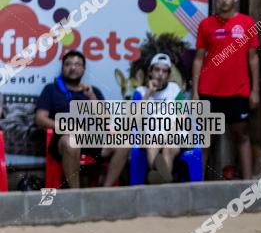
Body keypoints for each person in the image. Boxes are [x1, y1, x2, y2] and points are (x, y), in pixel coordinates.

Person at [193, 0, 260, 179]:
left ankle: (247, 185)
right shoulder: (206, 24)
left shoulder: (247, 23)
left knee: (242, 136)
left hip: (238, 92)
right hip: (209, 91)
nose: (224, 0)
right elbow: (198, 59)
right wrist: (196, 94)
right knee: (205, 141)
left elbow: (253, 58)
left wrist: (255, 90)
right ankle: (196, 187)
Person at [35, 50, 128, 188]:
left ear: (83, 69)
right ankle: (76, 194)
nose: (73, 67)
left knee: (124, 142)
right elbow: (40, 119)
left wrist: (91, 96)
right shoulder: (51, 90)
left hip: (93, 138)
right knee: (72, 141)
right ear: (63, 68)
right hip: (64, 138)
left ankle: (106, 190)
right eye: (68, 64)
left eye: (78, 64)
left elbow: (105, 119)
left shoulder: (92, 91)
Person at [133, 53, 187, 183]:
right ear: (150, 72)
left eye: (164, 71)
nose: (160, 74)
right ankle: (166, 179)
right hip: (151, 135)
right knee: (152, 143)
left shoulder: (175, 90)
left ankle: (159, 177)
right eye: (157, 70)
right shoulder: (140, 92)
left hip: (173, 133)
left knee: (169, 147)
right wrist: (148, 93)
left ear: (168, 75)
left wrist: (169, 134)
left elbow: (182, 117)